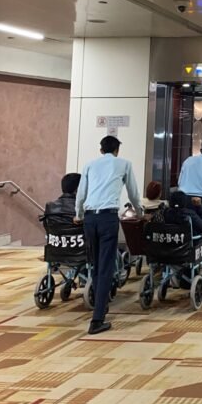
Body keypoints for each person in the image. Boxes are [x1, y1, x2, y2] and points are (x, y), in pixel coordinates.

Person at [75, 135, 143, 335]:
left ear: (101, 150)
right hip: (108, 219)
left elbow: (81, 193)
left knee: (95, 265)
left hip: (89, 218)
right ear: (117, 150)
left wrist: (78, 215)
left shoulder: (89, 165)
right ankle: (97, 319)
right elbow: (133, 192)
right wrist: (139, 213)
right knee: (105, 266)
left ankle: (101, 305)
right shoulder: (124, 164)